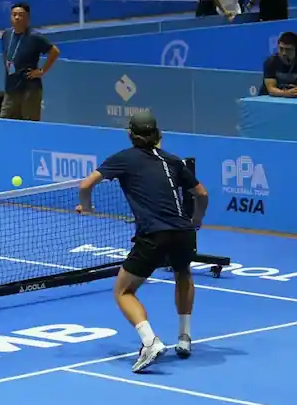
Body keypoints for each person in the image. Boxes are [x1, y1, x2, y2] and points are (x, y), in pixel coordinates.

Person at [76, 110, 208, 373]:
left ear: (130, 135)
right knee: (183, 273)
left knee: (123, 291)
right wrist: (196, 219)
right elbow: (201, 193)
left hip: (154, 235)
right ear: (158, 134)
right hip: (183, 232)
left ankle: (150, 342)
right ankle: (184, 338)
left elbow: (85, 184)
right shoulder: (172, 160)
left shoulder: (123, 158)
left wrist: (86, 207)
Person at [0, 1, 59, 121]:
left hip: (30, 90)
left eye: (21, 15)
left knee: (29, 124)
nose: (17, 17)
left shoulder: (34, 36)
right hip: (11, 88)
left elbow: (54, 51)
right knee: (4, 121)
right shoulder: (6, 34)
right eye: (14, 14)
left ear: (28, 18)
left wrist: (41, 71)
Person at [262, 31, 297, 97]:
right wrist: (286, 93)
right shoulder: (270, 62)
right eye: (281, 49)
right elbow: (271, 90)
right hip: (266, 98)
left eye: (288, 49)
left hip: (290, 98)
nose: (284, 53)